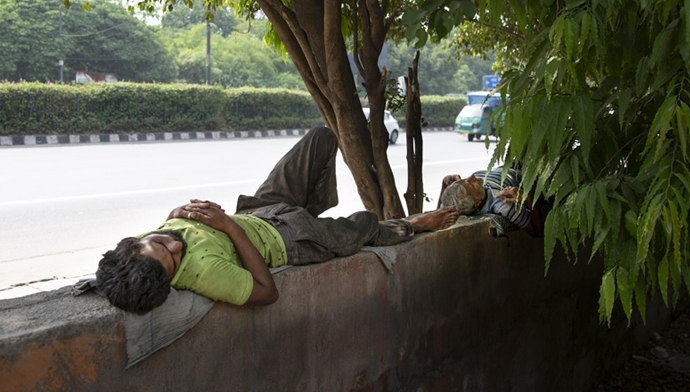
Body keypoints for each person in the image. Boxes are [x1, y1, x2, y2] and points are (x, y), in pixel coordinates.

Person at [96, 127, 459, 315]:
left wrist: (176, 215)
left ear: (134, 242)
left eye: (161, 242)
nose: (174, 245)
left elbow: (168, 233)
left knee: (321, 138)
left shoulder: (142, 244)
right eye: (173, 259)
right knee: (363, 224)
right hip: (289, 240)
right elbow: (267, 294)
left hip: (262, 209)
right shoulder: (205, 274)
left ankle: (311, 212)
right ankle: (416, 224)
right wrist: (228, 227)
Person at [437, 167, 546, 237]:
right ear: (478, 202)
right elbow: (538, 231)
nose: (472, 176)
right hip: (534, 173)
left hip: (511, 165)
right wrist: (528, 197)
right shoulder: (503, 204)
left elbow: (439, 212)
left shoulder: (468, 196)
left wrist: (444, 184)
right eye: (470, 183)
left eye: (465, 179)